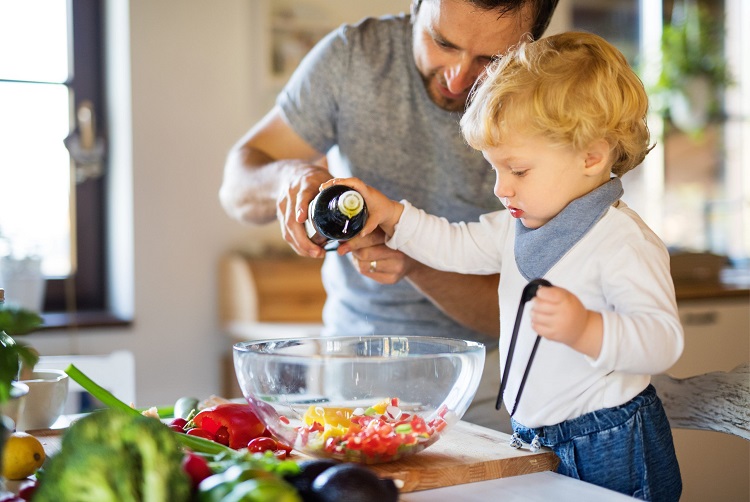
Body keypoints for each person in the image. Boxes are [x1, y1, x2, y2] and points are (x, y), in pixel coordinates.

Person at [320, 32, 684, 501]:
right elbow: (453, 244)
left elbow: (662, 340)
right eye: (495, 169)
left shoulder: (622, 242)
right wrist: (392, 215)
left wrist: (587, 329)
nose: (500, 187)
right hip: (533, 435)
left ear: (592, 156)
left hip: (609, 441)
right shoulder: (515, 225)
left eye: (518, 170)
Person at [219, 0, 559, 432]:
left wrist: (413, 260)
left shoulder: (549, 100)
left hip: (493, 383)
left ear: (532, 43)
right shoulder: (352, 57)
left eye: (490, 60)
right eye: (442, 42)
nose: (457, 77)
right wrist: (289, 176)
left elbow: (522, 313)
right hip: (350, 371)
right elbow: (235, 187)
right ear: (416, 7)